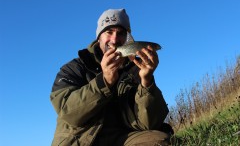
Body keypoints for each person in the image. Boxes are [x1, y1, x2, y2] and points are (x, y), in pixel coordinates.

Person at [50, 9, 172, 146]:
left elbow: (148, 124)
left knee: (160, 140)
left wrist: (147, 81)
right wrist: (104, 82)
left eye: (120, 33)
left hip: (121, 139)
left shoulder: (135, 68)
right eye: (109, 32)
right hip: (80, 141)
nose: (114, 40)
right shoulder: (73, 69)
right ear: (99, 37)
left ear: (127, 38)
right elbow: (68, 113)